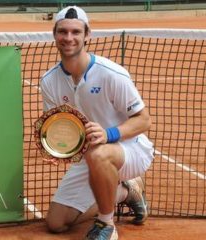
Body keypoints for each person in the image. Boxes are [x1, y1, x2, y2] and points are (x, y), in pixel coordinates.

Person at [40, 6, 154, 240]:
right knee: (56, 222)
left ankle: (106, 224)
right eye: (63, 32)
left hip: (130, 149)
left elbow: (144, 120)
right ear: (55, 34)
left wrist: (109, 133)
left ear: (87, 35)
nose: (68, 38)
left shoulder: (111, 74)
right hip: (90, 155)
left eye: (75, 32)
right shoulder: (49, 81)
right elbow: (58, 127)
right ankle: (126, 192)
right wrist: (59, 148)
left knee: (98, 154)